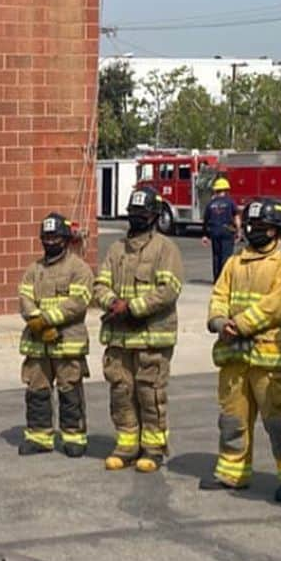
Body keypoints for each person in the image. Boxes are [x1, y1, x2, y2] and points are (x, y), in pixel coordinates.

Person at [202, 198, 281, 500]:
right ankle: (231, 473)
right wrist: (219, 320)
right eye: (251, 226)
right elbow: (219, 293)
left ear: (277, 229)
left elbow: (278, 304)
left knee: (280, 421)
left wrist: (241, 323)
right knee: (232, 418)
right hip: (235, 355)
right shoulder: (237, 260)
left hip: (271, 358)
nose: (254, 231)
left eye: (261, 227)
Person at [92, 186, 184, 473]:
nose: (137, 218)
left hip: (151, 339)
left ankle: (153, 449)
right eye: (133, 212)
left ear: (155, 216)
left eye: (143, 213)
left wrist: (133, 308)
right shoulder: (116, 250)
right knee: (122, 392)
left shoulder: (165, 249)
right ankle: (127, 445)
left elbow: (169, 289)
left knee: (150, 394)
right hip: (120, 339)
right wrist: (112, 303)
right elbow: (99, 285)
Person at [16, 212, 94, 456]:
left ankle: (74, 438)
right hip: (38, 344)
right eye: (46, 238)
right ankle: (39, 437)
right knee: (36, 390)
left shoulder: (79, 269)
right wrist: (35, 320)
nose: (50, 242)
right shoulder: (33, 270)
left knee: (69, 391)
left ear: (66, 239)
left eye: (55, 238)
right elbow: (25, 298)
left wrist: (46, 320)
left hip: (67, 342)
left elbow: (78, 301)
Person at [201, 176, 240, 282]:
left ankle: (217, 279)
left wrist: (205, 235)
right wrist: (238, 232)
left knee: (216, 256)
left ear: (215, 190)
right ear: (226, 190)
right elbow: (236, 218)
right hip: (227, 231)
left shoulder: (210, 204)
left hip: (215, 231)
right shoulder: (230, 202)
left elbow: (205, 220)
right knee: (226, 256)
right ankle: (225, 280)